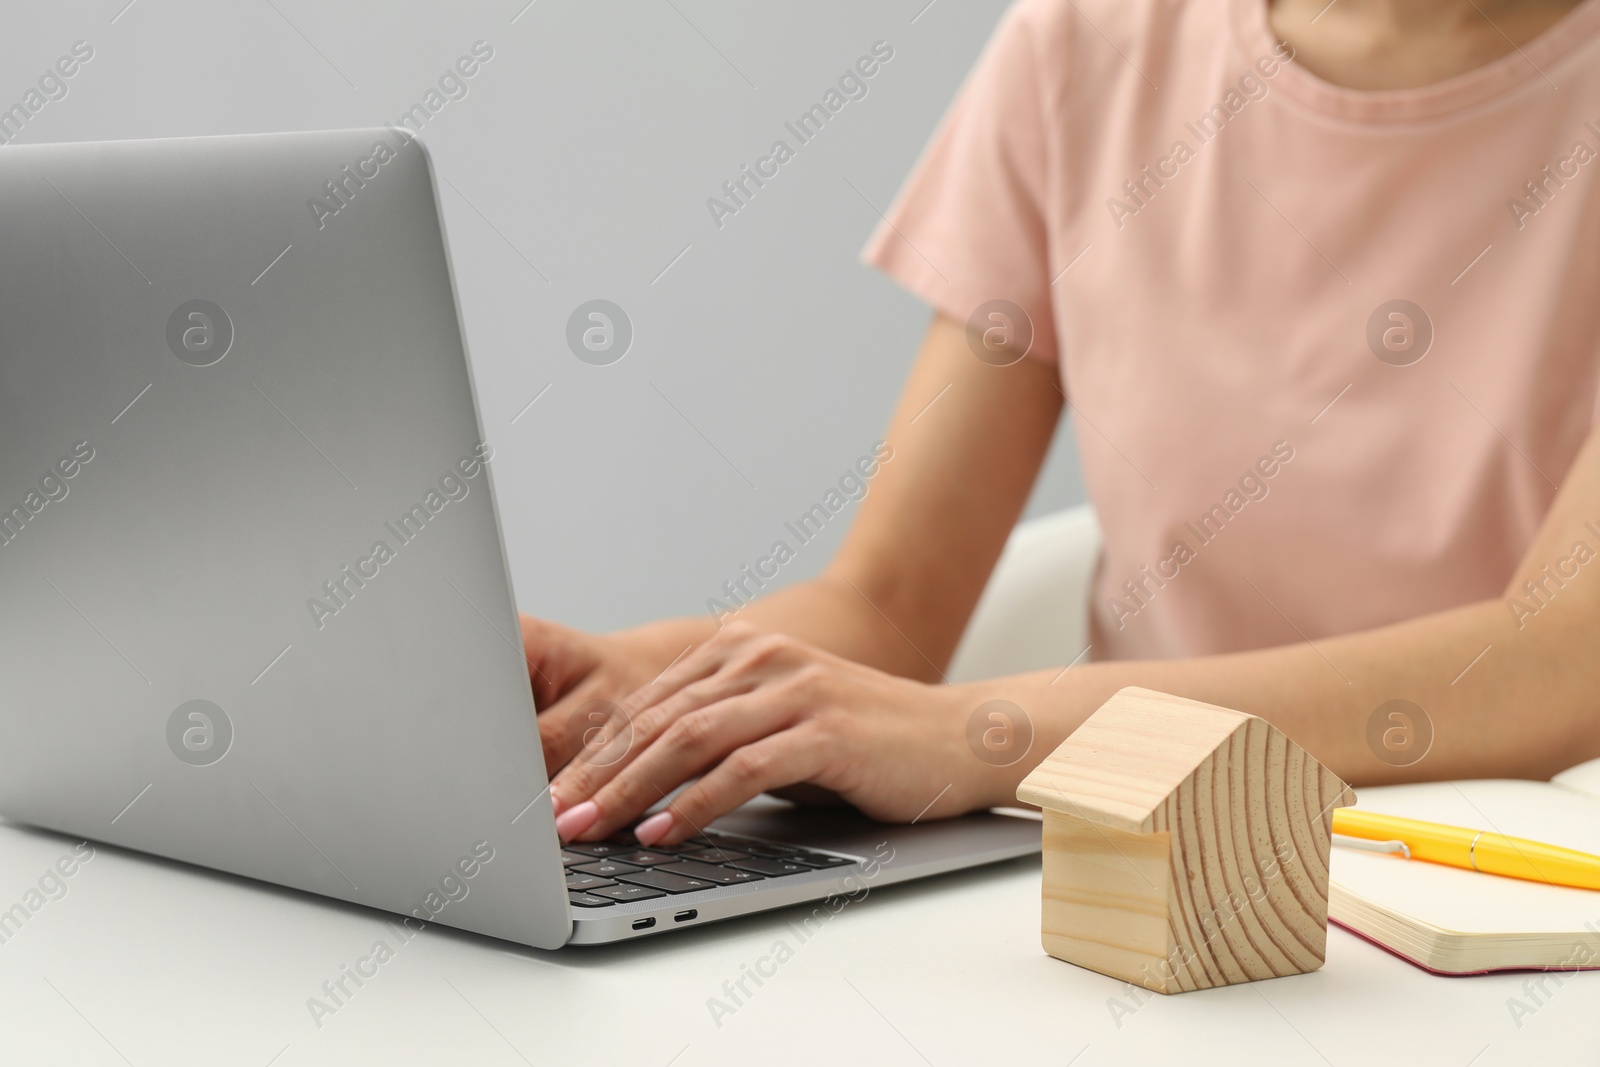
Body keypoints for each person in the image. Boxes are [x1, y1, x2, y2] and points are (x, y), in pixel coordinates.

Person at [522, 0, 1600, 849]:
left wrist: (978, 733)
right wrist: (645, 684)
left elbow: (1557, 660)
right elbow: (890, 602)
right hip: (1135, 883)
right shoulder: (1082, 49)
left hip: (1506, 906)